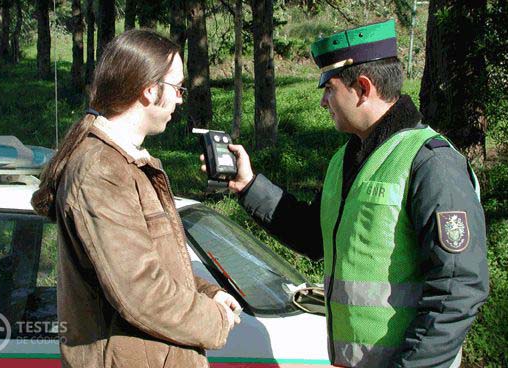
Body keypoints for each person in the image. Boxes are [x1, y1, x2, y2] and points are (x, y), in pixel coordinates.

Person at [214, 19, 488, 368]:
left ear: (362, 87)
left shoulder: (433, 163)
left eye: (328, 89)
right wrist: (250, 186)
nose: (323, 102)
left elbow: (458, 288)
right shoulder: (347, 158)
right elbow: (315, 234)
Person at [32, 29, 240, 368]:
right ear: (149, 90)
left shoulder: (121, 163)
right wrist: (214, 319)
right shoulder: (101, 171)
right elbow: (139, 292)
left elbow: (150, 266)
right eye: (177, 88)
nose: (180, 99)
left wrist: (208, 292)